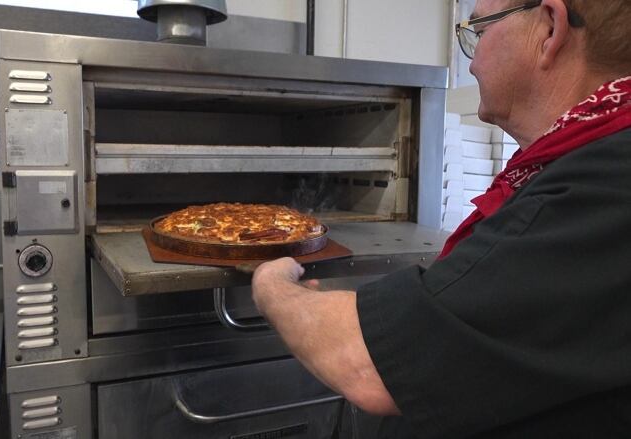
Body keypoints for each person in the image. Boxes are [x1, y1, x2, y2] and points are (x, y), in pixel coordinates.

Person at [251, 0, 631, 437]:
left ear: (548, 30)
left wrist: (271, 287)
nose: (470, 65)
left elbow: (366, 363)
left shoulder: (603, 186)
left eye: (480, 31)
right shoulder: (577, 166)